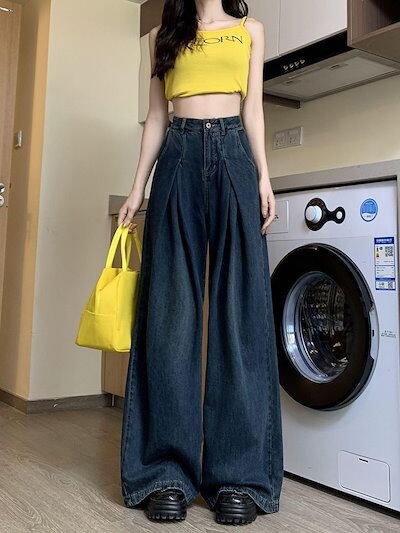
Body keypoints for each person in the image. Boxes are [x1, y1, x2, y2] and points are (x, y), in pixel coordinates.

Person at [118, 0, 283, 526]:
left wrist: (263, 176)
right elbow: (157, 116)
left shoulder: (250, 31)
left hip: (234, 155)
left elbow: (253, 109)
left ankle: (239, 477)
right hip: (178, 159)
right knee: (171, 317)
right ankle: (165, 474)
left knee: (240, 316)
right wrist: (137, 187)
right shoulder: (161, 35)